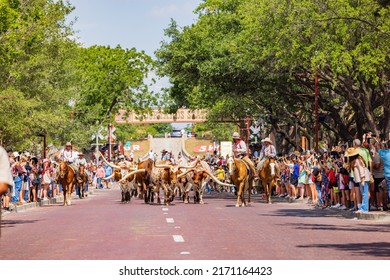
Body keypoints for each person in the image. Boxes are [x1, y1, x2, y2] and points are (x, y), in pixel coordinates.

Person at [345, 147, 371, 213]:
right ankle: (364, 208)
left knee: (364, 193)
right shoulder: (357, 160)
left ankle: (364, 209)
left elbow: (361, 170)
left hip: (363, 179)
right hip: (361, 179)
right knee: (364, 193)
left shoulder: (357, 160)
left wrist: (362, 179)